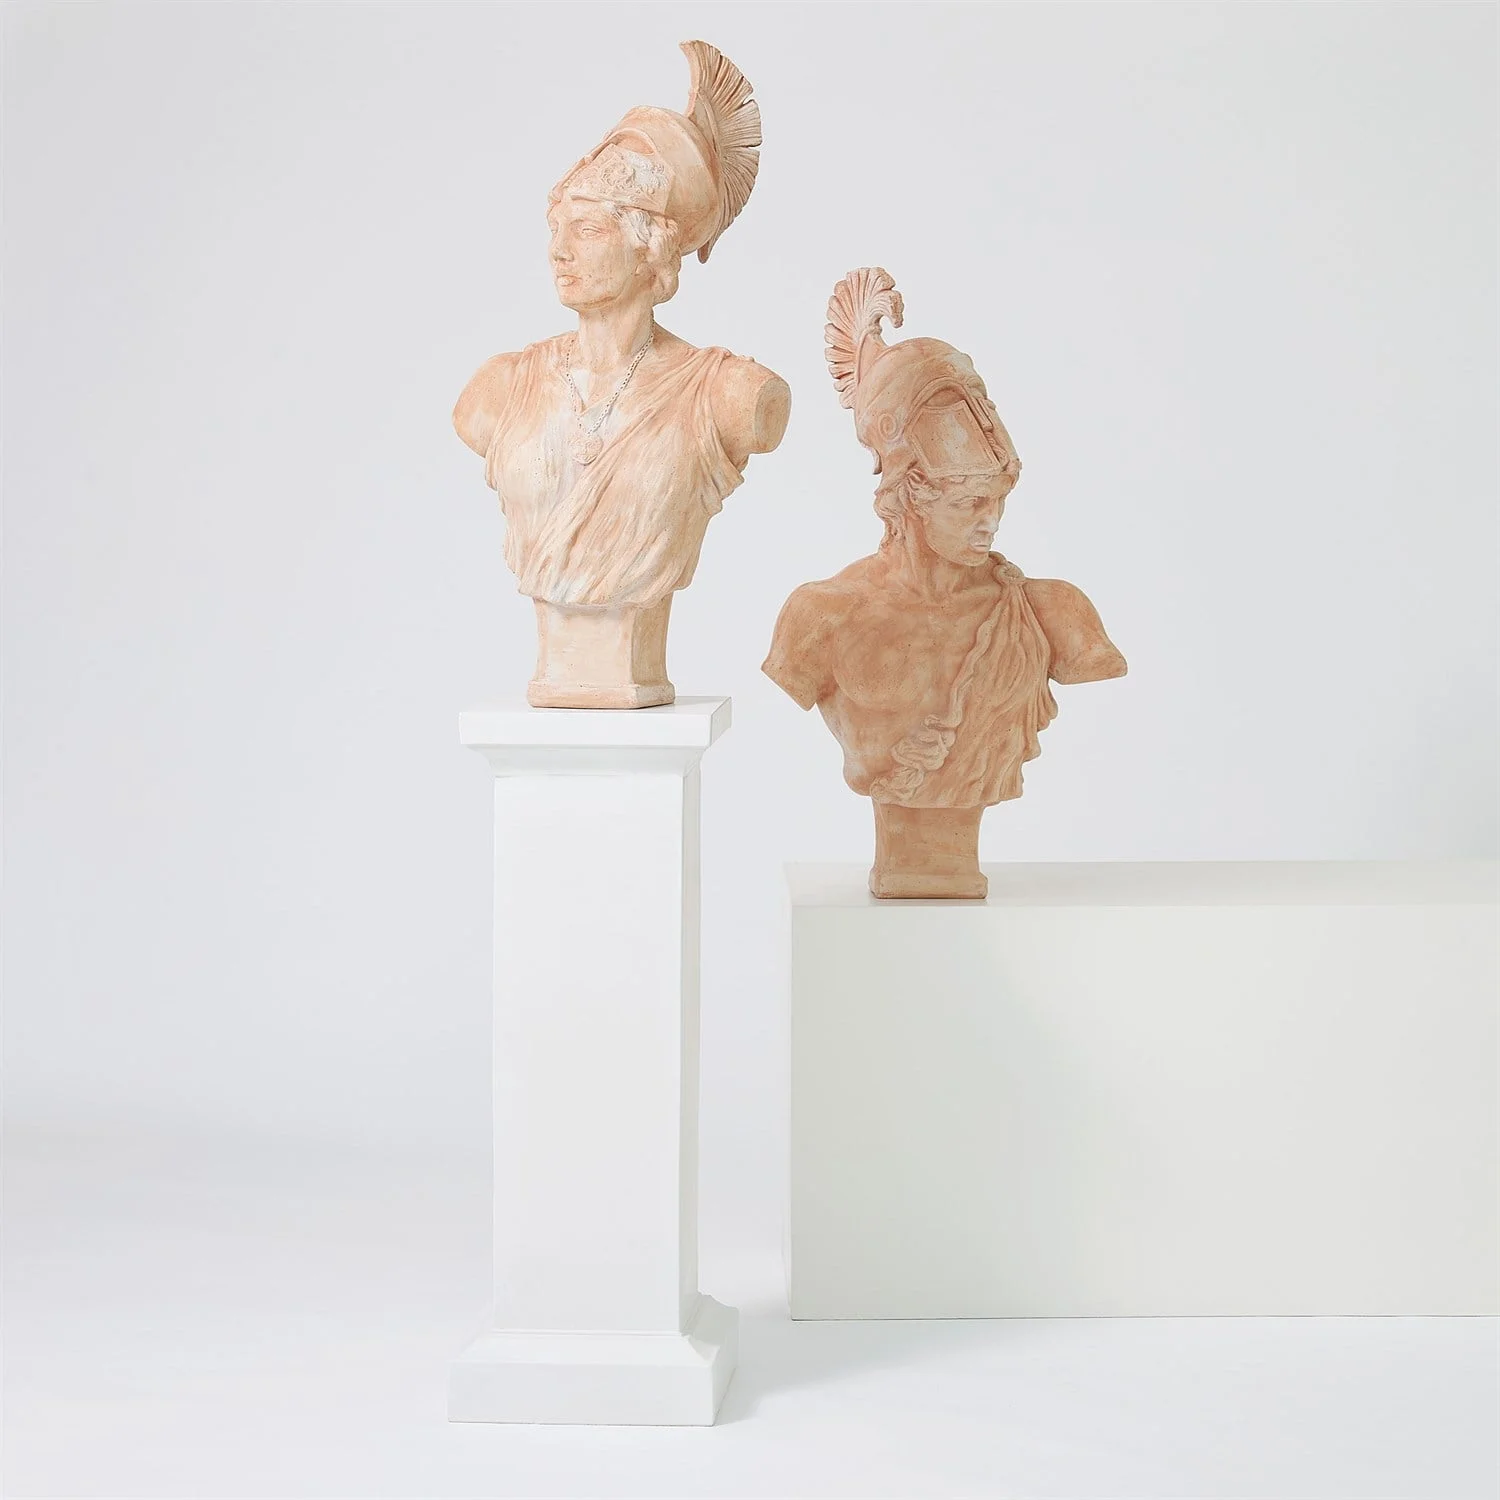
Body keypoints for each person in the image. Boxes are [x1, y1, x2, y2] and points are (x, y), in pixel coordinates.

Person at [763, 268, 1126, 898]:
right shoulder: (824, 615)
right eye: (968, 503)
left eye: (998, 499)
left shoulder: (1050, 612)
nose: (991, 521)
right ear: (909, 495)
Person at [454, 42, 789, 707]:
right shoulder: (499, 388)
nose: (559, 251)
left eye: (587, 230)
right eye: (556, 228)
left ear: (649, 247)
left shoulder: (724, 393)